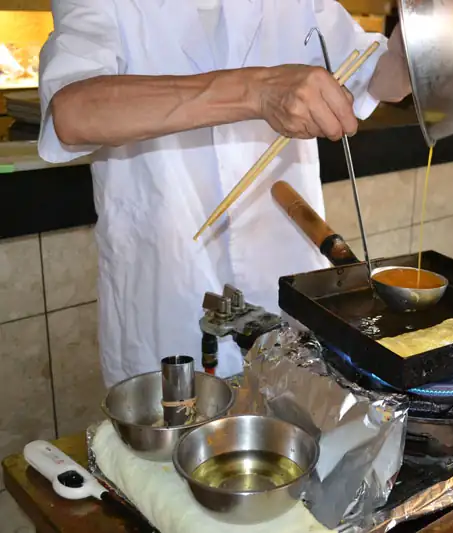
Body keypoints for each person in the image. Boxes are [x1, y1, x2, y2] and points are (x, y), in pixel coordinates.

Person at [37, 0, 412, 387]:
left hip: (283, 289)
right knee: (177, 434)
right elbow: (72, 112)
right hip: (169, 293)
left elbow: (374, 72)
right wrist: (257, 89)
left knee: (295, 429)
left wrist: (423, 42)